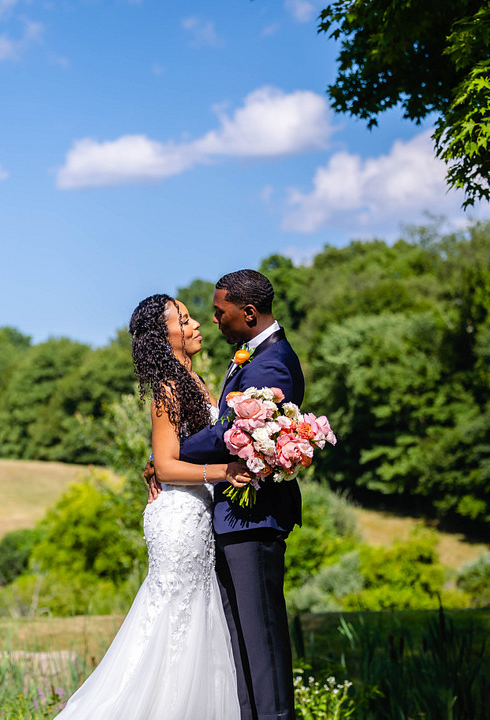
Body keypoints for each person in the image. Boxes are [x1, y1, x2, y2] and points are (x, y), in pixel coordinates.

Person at [53, 293, 247, 720]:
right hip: (179, 517)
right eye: (185, 319)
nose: (196, 324)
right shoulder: (168, 387)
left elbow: (177, 453)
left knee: (197, 620)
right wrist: (223, 471)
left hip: (195, 512)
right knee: (174, 621)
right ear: (164, 335)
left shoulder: (193, 381)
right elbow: (166, 464)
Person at [148, 269, 304, 720]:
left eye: (220, 312)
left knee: (262, 641)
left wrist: (167, 456)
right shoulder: (250, 358)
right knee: (241, 641)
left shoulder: (272, 361)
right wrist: (167, 459)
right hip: (234, 518)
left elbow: (231, 432)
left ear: (249, 313)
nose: (213, 320)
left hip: (254, 518)